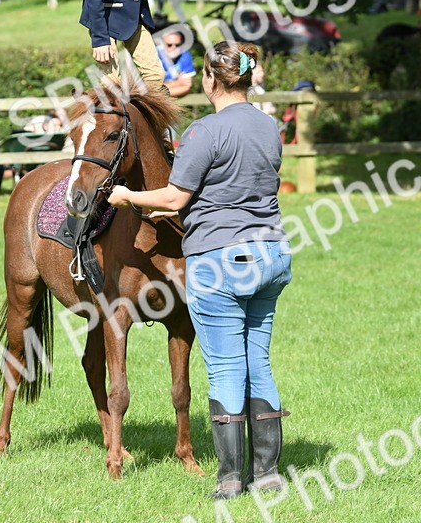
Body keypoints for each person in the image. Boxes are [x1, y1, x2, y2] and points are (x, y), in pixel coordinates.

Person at [108, 41, 292, 499]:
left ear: (210, 79)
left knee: (227, 368)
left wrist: (126, 197)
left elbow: (174, 198)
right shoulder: (270, 127)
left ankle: (231, 479)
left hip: (219, 261)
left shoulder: (203, 132)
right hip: (271, 253)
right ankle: (267, 473)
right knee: (259, 363)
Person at [157, 32, 196, 98]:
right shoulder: (154, 55)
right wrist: (178, 82)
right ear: (162, 45)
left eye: (177, 45)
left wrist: (160, 92)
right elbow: (151, 88)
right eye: (169, 45)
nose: (173, 47)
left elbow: (187, 86)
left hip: (162, 98)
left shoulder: (185, 55)